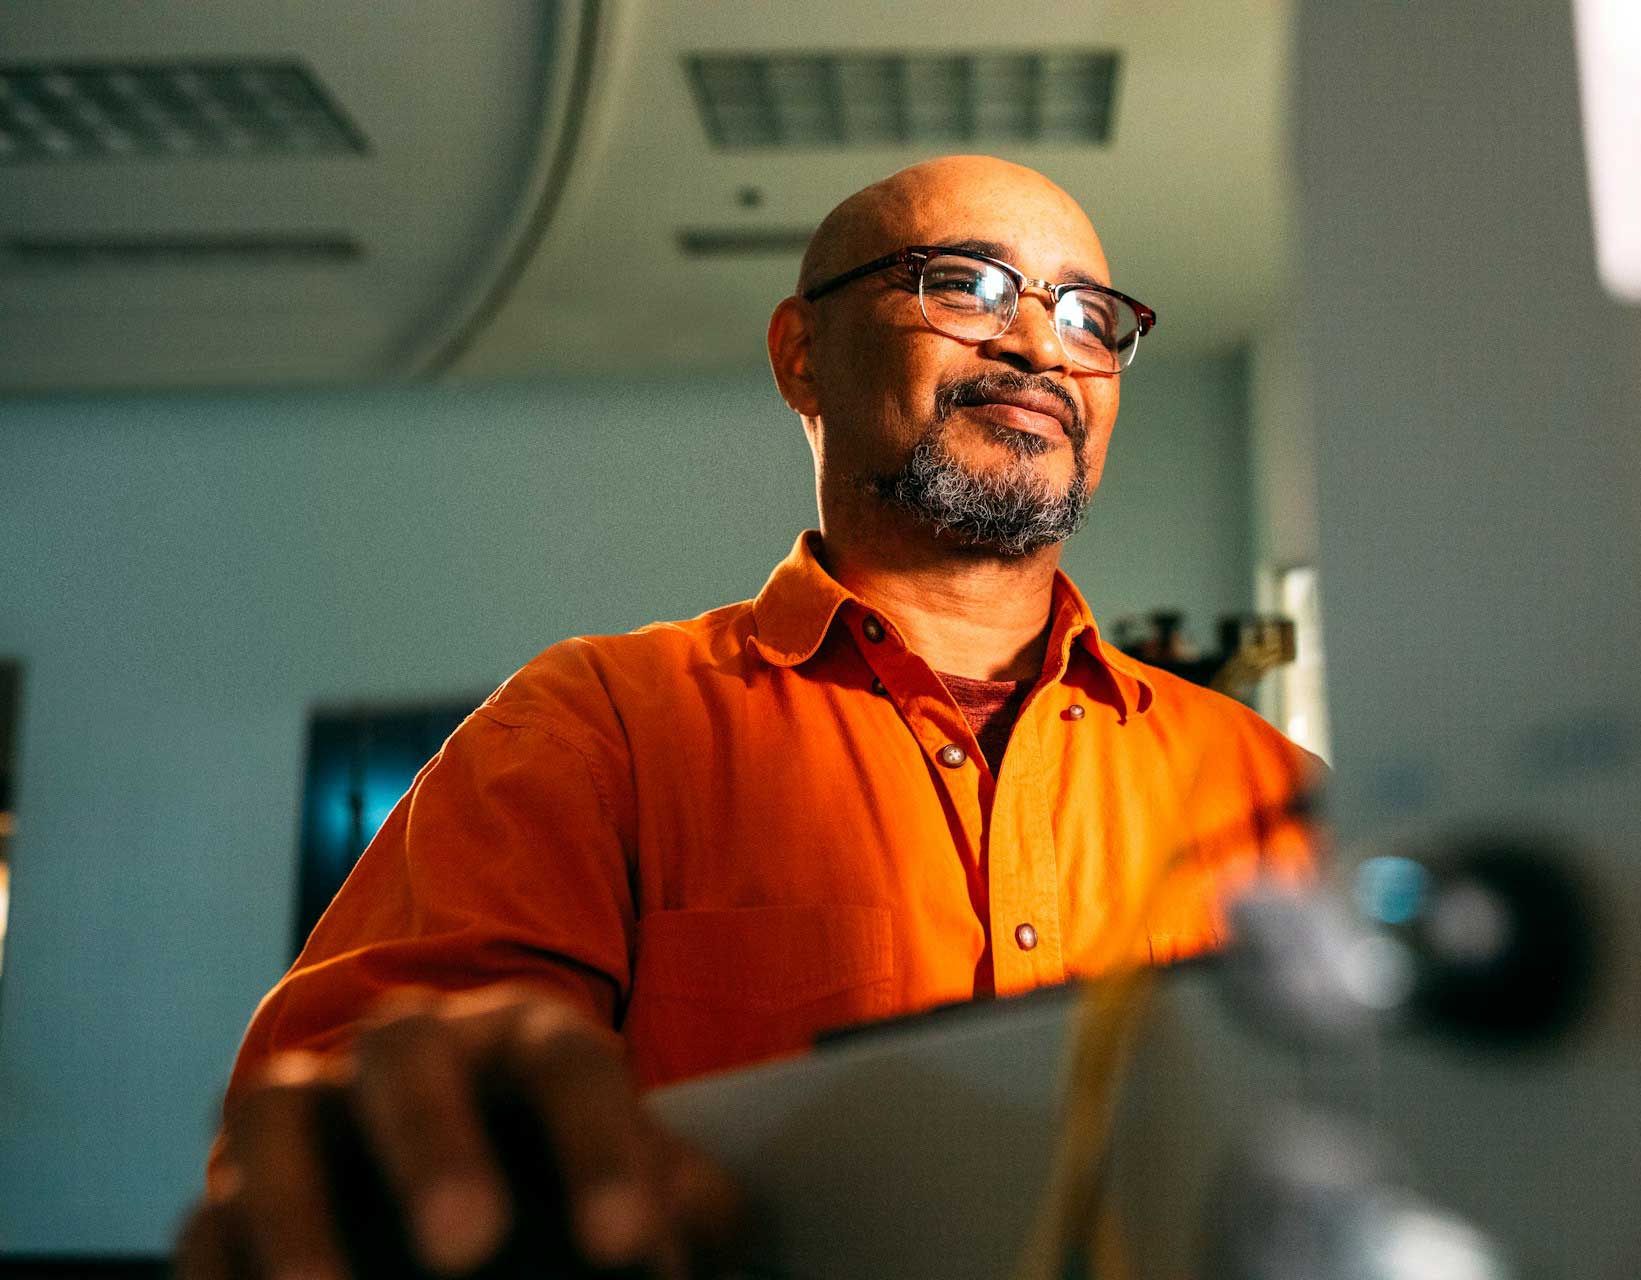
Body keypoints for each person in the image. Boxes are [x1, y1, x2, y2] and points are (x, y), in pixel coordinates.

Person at [178, 154, 1322, 1279]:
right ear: (800, 355)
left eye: (1088, 314)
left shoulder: (1268, 786)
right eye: (965, 284)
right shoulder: (595, 730)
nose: (1035, 343)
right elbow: (348, 1163)